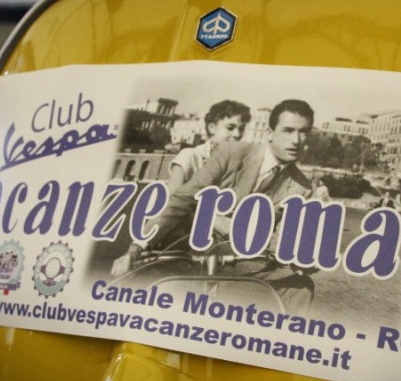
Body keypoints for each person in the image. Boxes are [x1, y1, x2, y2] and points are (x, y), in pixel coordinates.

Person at [113, 99, 316, 311]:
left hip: (239, 262)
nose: (296, 140)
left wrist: (301, 257)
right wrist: (137, 247)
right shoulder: (232, 152)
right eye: (288, 131)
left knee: (302, 288)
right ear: (270, 132)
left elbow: (279, 237)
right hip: (190, 250)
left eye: (303, 132)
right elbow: (182, 199)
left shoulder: (301, 186)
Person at [167, 100, 251, 193]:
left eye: (241, 129)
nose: (237, 134)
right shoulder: (190, 156)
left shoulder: (240, 164)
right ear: (212, 128)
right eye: (230, 128)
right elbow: (171, 198)